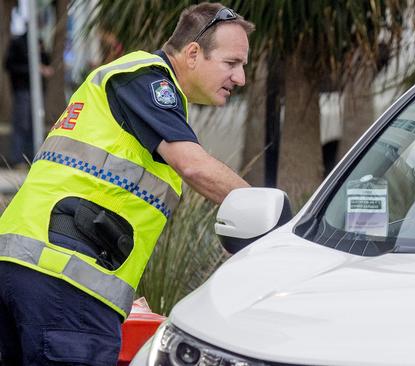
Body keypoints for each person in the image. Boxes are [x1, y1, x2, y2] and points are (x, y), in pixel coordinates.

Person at [0, 3, 253, 365]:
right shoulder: (146, 78)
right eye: (232, 63)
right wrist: (274, 216)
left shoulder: (130, 86)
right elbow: (195, 167)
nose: (240, 78)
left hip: (27, 268)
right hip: (67, 284)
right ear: (193, 53)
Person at [3, 33, 53, 168]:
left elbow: (47, 62)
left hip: (38, 90)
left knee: (35, 123)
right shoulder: (18, 42)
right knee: (21, 123)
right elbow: (9, 65)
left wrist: (42, 52)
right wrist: (33, 68)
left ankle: (33, 158)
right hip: (22, 89)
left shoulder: (39, 40)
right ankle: (18, 160)